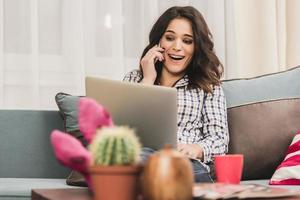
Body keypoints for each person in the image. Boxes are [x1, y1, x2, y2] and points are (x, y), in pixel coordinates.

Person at [123, 6, 229, 182]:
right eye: (170, 38)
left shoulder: (208, 86)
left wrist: (196, 148)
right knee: (135, 162)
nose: (177, 47)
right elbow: (124, 129)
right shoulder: (135, 79)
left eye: (187, 41)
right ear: (159, 42)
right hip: (141, 158)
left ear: (197, 47)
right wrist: (148, 79)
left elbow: (219, 138)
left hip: (185, 164)